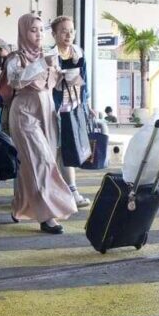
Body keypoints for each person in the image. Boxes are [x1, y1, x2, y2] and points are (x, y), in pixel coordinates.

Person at [7, 14, 78, 234]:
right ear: (23, 32)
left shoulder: (49, 56)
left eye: (41, 30)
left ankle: (21, 205)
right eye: (33, 30)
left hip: (47, 110)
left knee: (30, 163)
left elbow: (55, 84)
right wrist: (41, 64)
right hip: (24, 112)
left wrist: (68, 77)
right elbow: (15, 80)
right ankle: (48, 215)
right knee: (41, 161)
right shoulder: (16, 57)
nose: (38, 34)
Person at [50, 16, 96, 208]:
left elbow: (84, 82)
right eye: (63, 31)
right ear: (54, 34)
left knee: (68, 149)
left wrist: (87, 106)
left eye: (71, 31)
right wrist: (56, 79)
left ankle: (71, 191)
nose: (68, 35)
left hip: (74, 108)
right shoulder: (50, 56)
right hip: (53, 109)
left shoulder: (78, 53)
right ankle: (53, 191)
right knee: (54, 150)